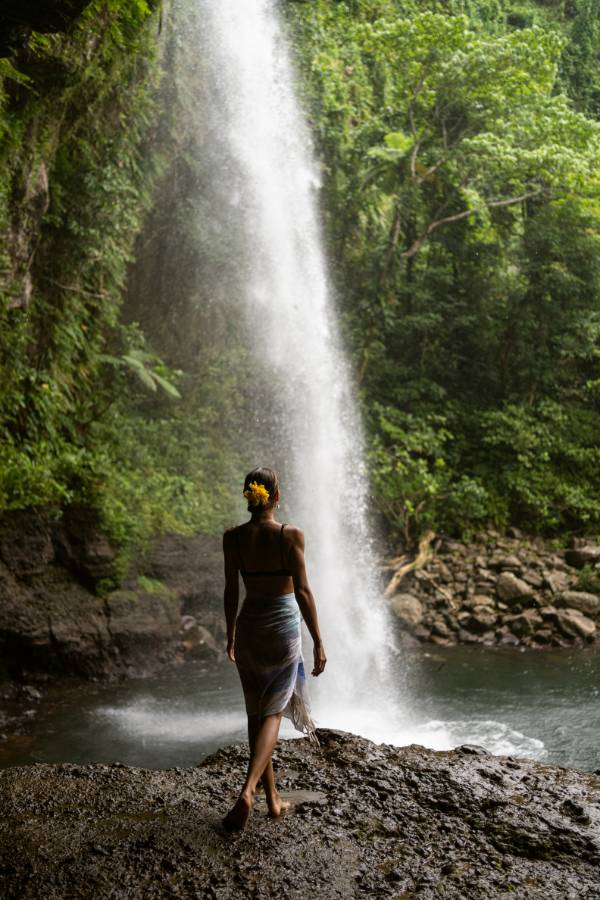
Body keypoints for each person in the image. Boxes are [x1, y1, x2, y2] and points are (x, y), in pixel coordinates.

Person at [222, 466, 326, 830]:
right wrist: (317, 640)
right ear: (276, 496)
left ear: (248, 497)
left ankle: (272, 800)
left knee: (255, 713)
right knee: (274, 714)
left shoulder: (232, 538)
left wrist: (230, 634)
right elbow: (303, 591)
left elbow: (231, 591)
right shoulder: (289, 535)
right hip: (282, 628)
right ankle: (249, 790)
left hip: (249, 625)